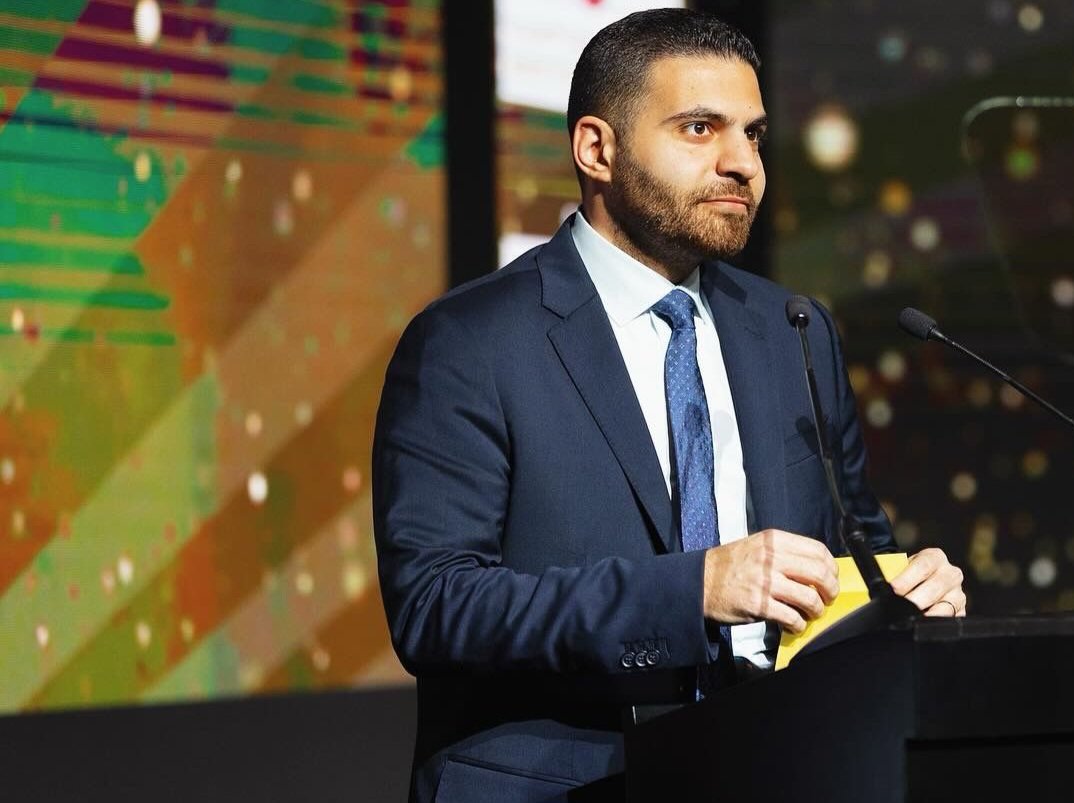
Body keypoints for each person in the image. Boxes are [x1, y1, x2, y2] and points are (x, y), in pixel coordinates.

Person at [372, 9, 966, 803]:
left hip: (778, 770)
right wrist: (692, 592)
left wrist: (904, 598)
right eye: (699, 128)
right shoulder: (470, 340)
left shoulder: (791, 328)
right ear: (597, 149)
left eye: (753, 135)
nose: (743, 163)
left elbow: (854, 550)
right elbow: (436, 605)